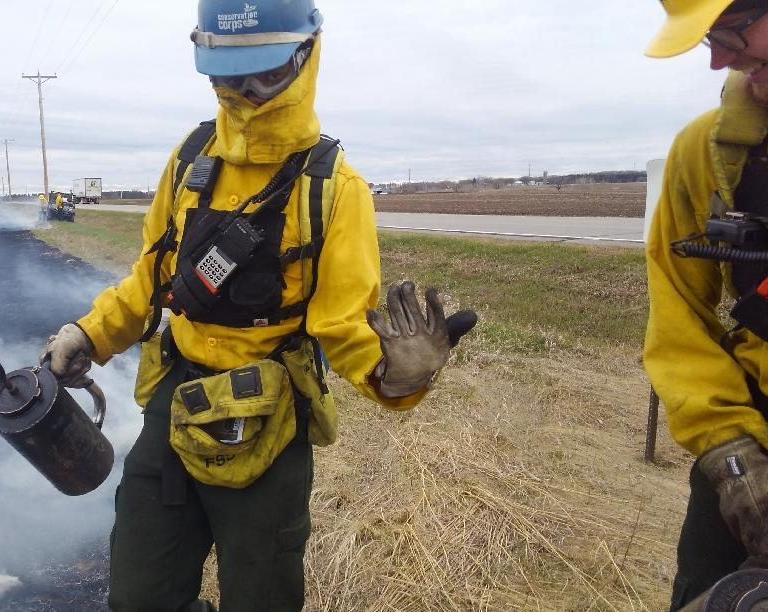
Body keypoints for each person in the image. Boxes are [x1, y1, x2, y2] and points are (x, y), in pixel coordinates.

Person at [42, 1, 474, 609]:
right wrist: (90, 334)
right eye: (226, 75)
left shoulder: (334, 189)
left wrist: (396, 375)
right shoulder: (191, 160)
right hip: (176, 402)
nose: (243, 94)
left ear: (307, 54)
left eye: (264, 74)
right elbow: (151, 275)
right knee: (140, 596)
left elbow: (343, 327)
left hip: (269, 421)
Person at [645, 1, 768, 609]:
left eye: (729, 32)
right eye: (708, 42)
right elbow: (676, 305)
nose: (721, 57)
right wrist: (728, 453)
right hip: (753, 437)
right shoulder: (710, 150)